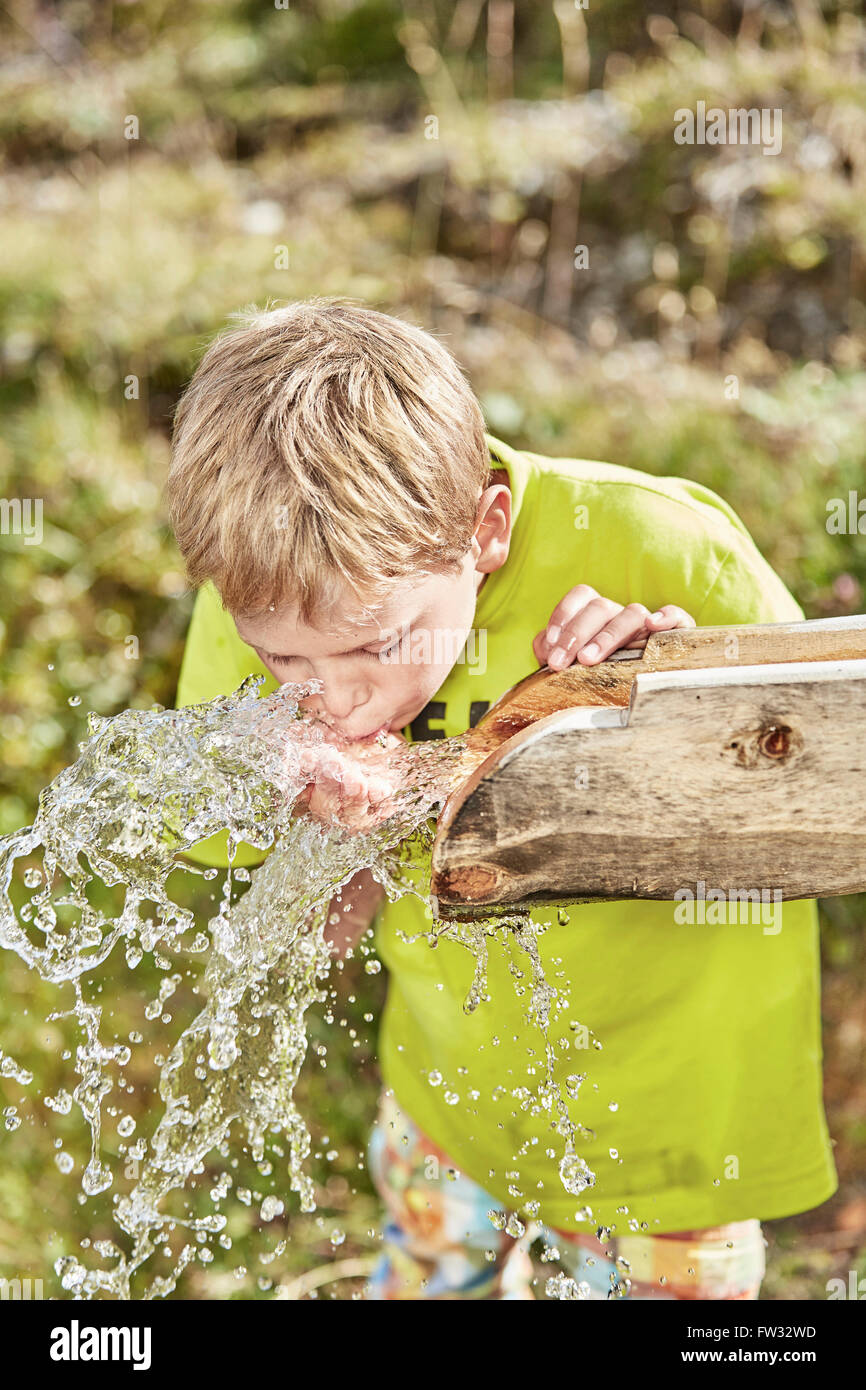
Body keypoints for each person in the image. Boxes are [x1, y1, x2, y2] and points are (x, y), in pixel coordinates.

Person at [167, 298, 836, 1300]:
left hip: (670, 1131)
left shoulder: (659, 550)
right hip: (449, 1099)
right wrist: (296, 809)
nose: (333, 692)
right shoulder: (261, 591)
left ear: (482, 532)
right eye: (282, 657)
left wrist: (679, 684)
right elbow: (295, 904)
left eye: (375, 646)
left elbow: (823, 773)